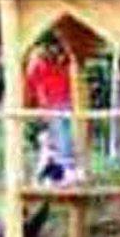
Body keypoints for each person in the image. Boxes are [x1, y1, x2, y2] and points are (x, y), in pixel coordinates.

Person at [24, 38, 76, 175]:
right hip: (52, 103)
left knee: (61, 132)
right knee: (56, 133)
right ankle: (62, 165)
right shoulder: (41, 64)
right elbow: (33, 84)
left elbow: (33, 84)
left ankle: (65, 165)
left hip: (60, 102)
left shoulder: (59, 63)